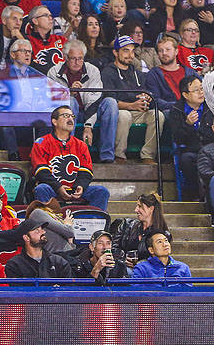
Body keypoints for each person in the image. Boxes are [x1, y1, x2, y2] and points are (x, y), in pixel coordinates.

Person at [100, 36, 166, 164]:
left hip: (137, 111)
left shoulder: (137, 73)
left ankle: (148, 155)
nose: (130, 55)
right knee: (124, 115)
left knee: (158, 115)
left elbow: (144, 94)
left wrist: (146, 97)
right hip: (120, 112)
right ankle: (119, 155)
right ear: (115, 52)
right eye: (125, 51)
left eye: (132, 51)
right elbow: (110, 101)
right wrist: (132, 106)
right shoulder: (108, 72)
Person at [30, 105, 110, 210]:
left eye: (72, 116)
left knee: (101, 191)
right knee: (41, 189)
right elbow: (41, 171)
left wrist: (80, 186)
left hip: (74, 188)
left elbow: (86, 171)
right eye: (66, 116)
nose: (70, 119)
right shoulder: (42, 143)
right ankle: (47, 223)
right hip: (52, 188)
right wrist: (58, 187)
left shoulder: (80, 145)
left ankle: (93, 222)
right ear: (55, 122)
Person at [4, 217, 73, 278]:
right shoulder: (14, 265)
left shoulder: (59, 262)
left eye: (42, 229)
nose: (43, 232)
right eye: (37, 230)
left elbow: (68, 289)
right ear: (26, 237)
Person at [111, 193, 169, 263]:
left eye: (140, 206)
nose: (136, 210)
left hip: (146, 271)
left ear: (151, 209)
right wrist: (123, 259)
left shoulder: (163, 235)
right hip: (122, 267)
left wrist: (139, 265)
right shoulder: (126, 224)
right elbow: (113, 247)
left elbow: (160, 259)